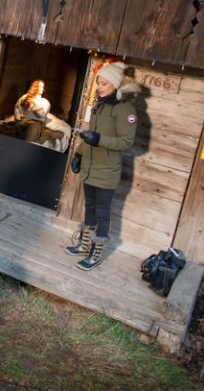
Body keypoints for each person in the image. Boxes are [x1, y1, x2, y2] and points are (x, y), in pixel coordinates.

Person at [65, 62, 139, 271]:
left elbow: (126, 142)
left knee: (102, 212)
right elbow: (90, 132)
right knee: (89, 206)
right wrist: (79, 154)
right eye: (99, 83)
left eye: (104, 83)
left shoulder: (126, 110)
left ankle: (95, 253)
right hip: (90, 166)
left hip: (107, 170)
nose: (99, 87)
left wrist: (98, 139)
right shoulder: (100, 105)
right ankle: (84, 244)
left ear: (115, 85)